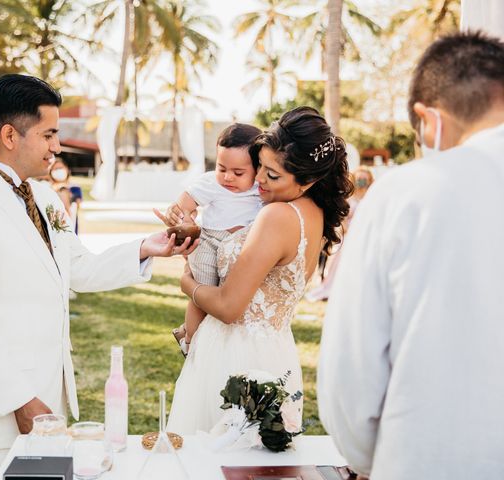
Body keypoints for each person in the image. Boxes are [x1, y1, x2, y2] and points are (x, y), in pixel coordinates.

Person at [0, 74, 197, 480]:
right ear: (9, 135)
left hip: (48, 403)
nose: (57, 146)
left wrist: (146, 247)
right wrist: (20, 402)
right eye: (49, 134)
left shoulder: (43, 196)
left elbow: (80, 268)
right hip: (1, 411)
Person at [318, 31, 504, 479]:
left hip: (428, 460)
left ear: (427, 118)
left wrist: (368, 459)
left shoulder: (405, 193)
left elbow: (351, 372)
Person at [167, 107, 353, 434]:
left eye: (273, 175)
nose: (260, 181)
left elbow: (228, 306)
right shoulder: (314, 213)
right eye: (260, 168)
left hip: (234, 358)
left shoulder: (277, 217)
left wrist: (187, 282)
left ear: (308, 179)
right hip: (275, 353)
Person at [158, 123, 262, 355]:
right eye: (221, 167)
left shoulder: (261, 189)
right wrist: (183, 216)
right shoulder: (210, 183)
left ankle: (191, 333)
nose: (227, 177)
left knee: (229, 295)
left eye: (238, 173)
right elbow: (185, 202)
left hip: (239, 248)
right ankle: (191, 342)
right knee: (203, 293)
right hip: (209, 241)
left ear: (257, 168)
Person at [304, 166, 374, 302]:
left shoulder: (371, 197)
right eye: (359, 179)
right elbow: (341, 219)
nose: (362, 182)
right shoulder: (348, 198)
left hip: (365, 237)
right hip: (348, 235)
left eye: (364, 179)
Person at [48, 158, 82, 234]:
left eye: (60, 168)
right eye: (55, 169)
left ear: (66, 169)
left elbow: (77, 205)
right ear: (51, 172)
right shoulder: (47, 189)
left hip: (71, 225)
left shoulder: (75, 188)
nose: (58, 171)